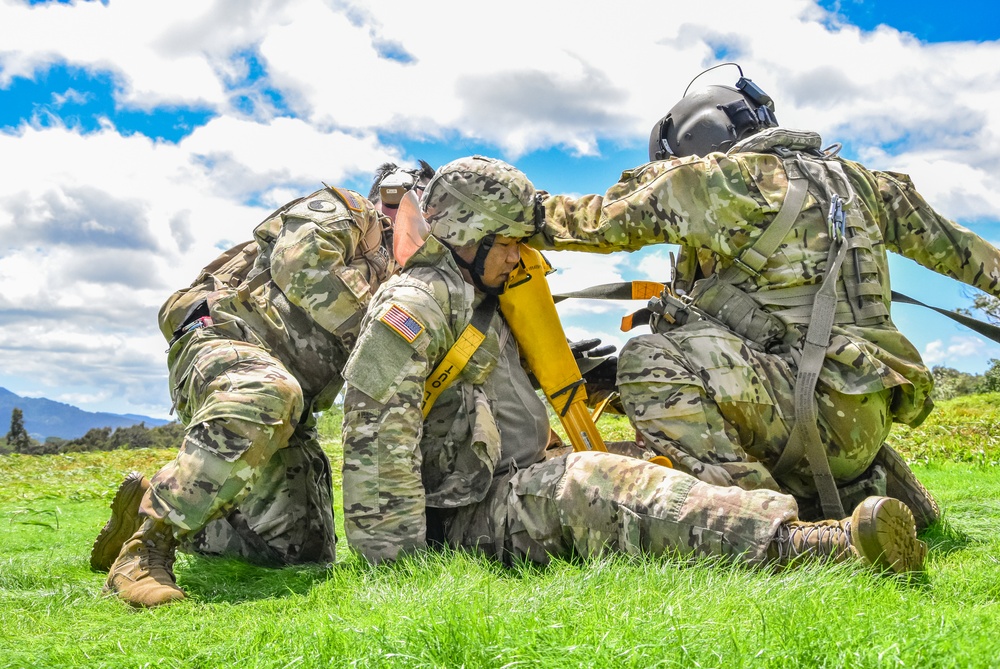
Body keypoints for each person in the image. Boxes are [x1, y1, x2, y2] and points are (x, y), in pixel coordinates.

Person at [340, 154, 926, 575]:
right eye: (508, 242)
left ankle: (857, 499)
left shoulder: (481, 296)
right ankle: (809, 545)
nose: (520, 255)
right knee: (593, 484)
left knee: (645, 462)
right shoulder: (414, 305)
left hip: (508, 477)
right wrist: (399, 567)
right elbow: (374, 433)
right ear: (466, 236)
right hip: (464, 510)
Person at [529, 64, 1000, 528]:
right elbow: (970, 256)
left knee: (647, 356)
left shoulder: (718, 180)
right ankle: (863, 490)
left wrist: (486, 206)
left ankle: (775, 529)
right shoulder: (867, 185)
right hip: (866, 413)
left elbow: (582, 223)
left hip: (800, 410)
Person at [90, 160, 433, 608]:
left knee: (297, 553)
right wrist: (390, 337)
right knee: (269, 394)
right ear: (390, 198)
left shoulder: (409, 283)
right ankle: (144, 550)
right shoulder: (348, 212)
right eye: (413, 206)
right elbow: (302, 264)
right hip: (227, 341)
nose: (419, 222)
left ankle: (157, 499)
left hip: (292, 413)